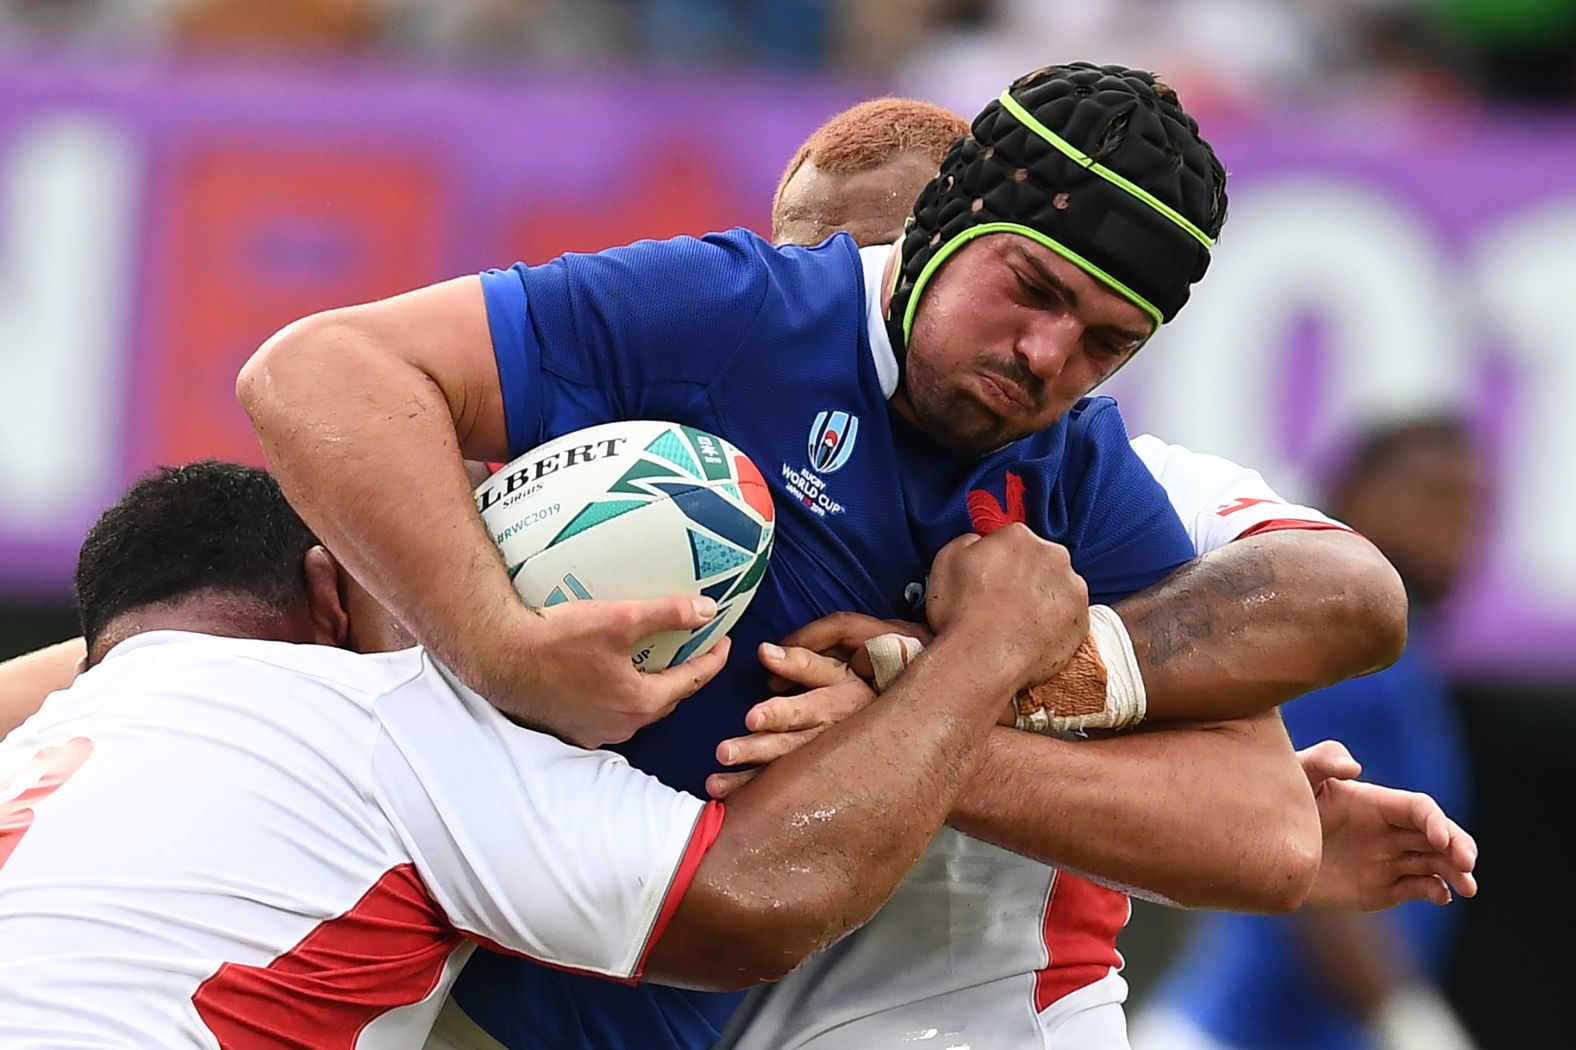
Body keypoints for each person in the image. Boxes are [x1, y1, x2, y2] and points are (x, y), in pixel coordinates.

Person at [238, 63, 1414, 1048]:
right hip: (406, 958)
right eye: (1030, 289)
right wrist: (505, 649)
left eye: (1106, 340)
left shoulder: (1077, 472)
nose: (1048, 354)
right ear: (946, 225)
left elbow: (1268, 829)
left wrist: (929, 709)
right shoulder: (737, 308)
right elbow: (313, 374)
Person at [0, 460, 1088, 1047]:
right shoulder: (383, 723)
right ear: (333, 587)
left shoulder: (44, 741)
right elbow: (762, 897)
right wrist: (983, 655)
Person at [1134, 418, 1484, 1050]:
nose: (1457, 523)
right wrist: (1407, 1020)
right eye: (1435, 492)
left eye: (1473, 503)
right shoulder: (1348, 653)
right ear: (1354, 492)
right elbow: (1313, 829)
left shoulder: (1412, 665)